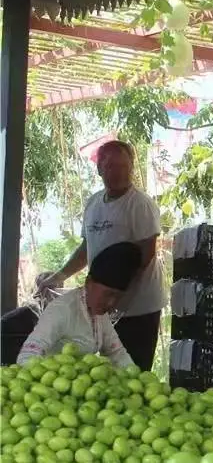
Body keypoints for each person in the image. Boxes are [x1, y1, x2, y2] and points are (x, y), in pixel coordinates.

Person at [39, 140, 166, 371]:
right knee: (107, 373)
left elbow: (146, 254)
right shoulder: (93, 204)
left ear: (132, 168)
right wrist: (59, 277)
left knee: (134, 372)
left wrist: (113, 295)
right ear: (99, 169)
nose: (118, 172)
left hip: (138, 307)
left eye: (123, 166)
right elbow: (87, 249)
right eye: (110, 166)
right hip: (105, 306)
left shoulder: (140, 204)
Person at [18, 242, 143, 367]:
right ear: (89, 282)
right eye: (107, 294)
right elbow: (28, 355)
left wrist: (135, 376)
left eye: (117, 297)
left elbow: (116, 352)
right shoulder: (62, 309)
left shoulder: (99, 313)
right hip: (52, 382)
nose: (111, 303)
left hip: (85, 382)